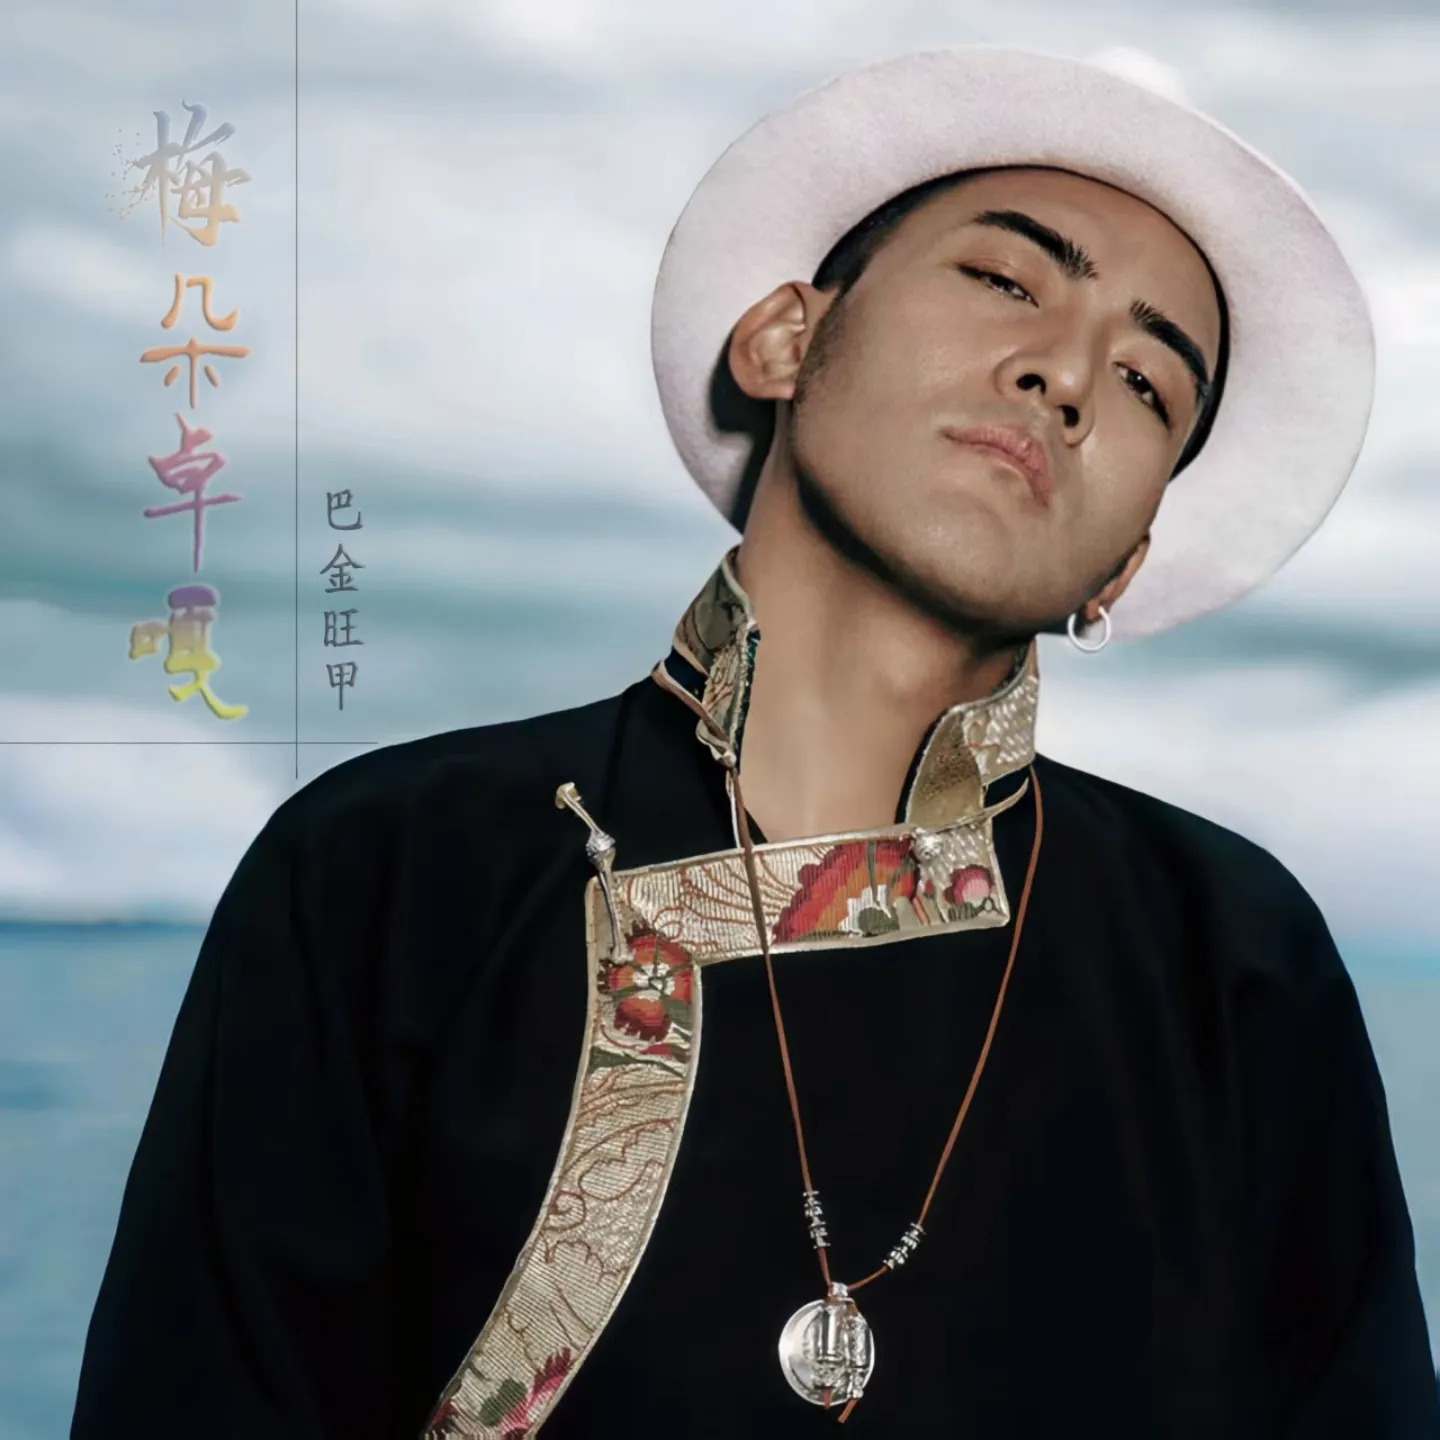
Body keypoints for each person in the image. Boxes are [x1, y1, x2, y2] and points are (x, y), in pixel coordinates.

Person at [72, 46, 1439, 1439]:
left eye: (1149, 384)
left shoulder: (1233, 960)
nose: (1067, 374)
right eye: (1004, 280)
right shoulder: (390, 869)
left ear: (1126, 565)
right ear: (783, 338)